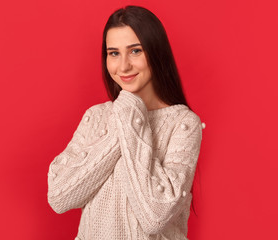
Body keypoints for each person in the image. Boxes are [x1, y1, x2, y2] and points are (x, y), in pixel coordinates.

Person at [47, 5, 205, 240]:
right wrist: (126, 113)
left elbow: (155, 215)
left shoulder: (183, 124)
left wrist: (130, 115)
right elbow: (59, 197)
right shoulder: (96, 116)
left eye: (135, 51)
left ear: (156, 52)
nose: (123, 66)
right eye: (114, 53)